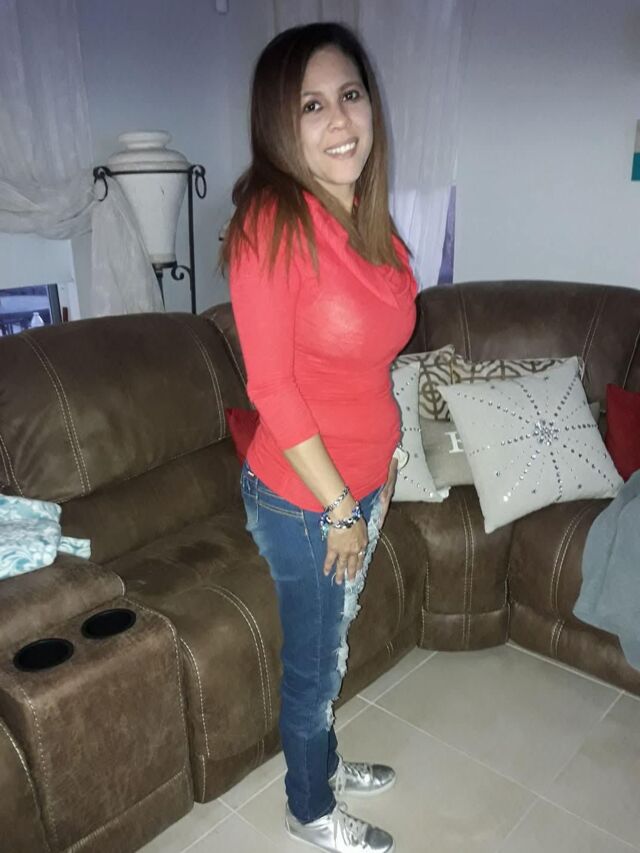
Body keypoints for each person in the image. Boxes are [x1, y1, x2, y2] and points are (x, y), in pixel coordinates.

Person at [222, 22, 417, 853]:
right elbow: (271, 388)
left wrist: (384, 466)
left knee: (333, 645)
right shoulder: (272, 222)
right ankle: (308, 807)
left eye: (350, 95)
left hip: (362, 486)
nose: (340, 120)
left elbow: (364, 360)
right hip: (309, 502)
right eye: (311, 106)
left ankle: (326, 761)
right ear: (280, 122)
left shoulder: (365, 220)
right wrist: (340, 506)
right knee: (313, 663)